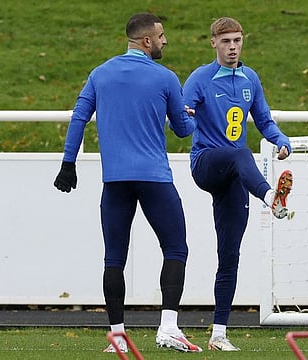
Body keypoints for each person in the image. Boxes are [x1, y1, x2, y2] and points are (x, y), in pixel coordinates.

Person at [53, 13, 202, 353]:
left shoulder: (100, 73)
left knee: (114, 258)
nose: (165, 41)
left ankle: (117, 337)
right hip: (154, 178)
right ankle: (168, 327)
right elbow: (181, 129)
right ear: (146, 40)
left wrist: (68, 164)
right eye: (161, 36)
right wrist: (189, 117)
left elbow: (79, 117)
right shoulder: (165, 77)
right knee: (176, 248)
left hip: (115, 180)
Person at [182, 17, 293, 351]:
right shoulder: (200, 78)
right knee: (238, 152)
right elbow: (182, 121)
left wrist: (282, 140)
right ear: (213, 43)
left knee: (229, 255)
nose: (233, 47)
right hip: (206, 164)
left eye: (237, 41)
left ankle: (219, 334)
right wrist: (184, 116)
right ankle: (271, 196)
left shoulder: (250, 78)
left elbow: (263, 120)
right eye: (226, 41)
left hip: (235, 175)